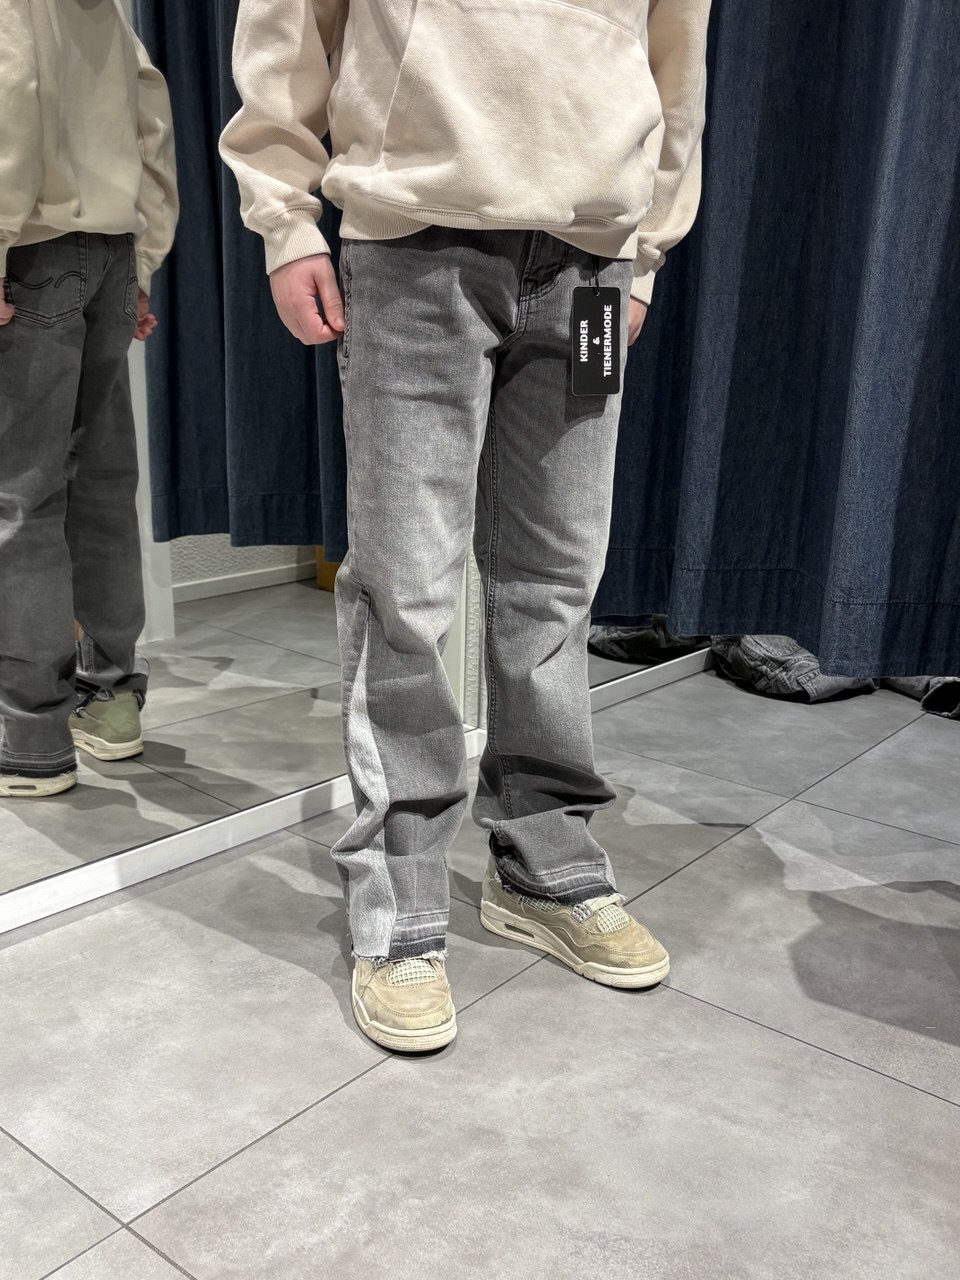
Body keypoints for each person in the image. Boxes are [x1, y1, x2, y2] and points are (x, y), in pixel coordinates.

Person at [221, 0, 710, 1052]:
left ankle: (546, 860)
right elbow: (288, 26)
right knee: (406, 583)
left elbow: (676, 61)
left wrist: (644, 256)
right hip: (416, 239)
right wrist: (285, 218)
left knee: (558, 577)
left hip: (591, 261)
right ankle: (400, 893)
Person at [0, 0, 178, 798]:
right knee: (101, 485)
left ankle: (30, 734)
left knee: (21, 496)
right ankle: (110, 698)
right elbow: (153, 124)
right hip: (108, 250)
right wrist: (142, 262)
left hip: (33, 252)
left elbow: (10, 91)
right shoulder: (104, 11)